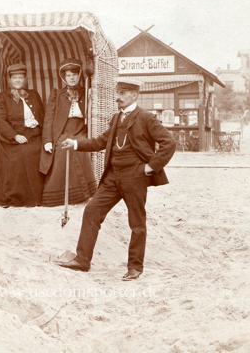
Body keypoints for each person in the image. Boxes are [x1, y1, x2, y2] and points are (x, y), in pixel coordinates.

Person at [57, 78, 176, 281]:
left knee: (136, 223)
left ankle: (135, 267)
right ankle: (82, 260)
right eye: (117, 92)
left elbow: (169, 142)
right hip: (112, 178)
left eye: (122, 93)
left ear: (134, 95)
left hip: (135, 177)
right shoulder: (115, 119)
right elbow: (101, 141)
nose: (117, 97)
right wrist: (75, 144)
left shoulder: (146, 118)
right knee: (92, 211)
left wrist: (151, 167)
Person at [0, 63, 45, 207]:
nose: (18, 80)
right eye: (15, 77)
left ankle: (38, 195)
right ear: (9, 80)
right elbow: (0, 121)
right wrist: (15, 135)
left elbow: (42, 116)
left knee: (39, 150)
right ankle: (20, 197)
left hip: (34, 134)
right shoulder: (2, 97)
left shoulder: (33, 95)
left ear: (25, 79)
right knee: (23, 153)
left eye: (21, 77)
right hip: (12, 138)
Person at [39, 58, 96, 206]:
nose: (72, 78)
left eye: (75, 75)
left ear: (79, 76)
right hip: (61, 133)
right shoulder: (57, 94)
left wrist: (90, 96)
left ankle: (84, 193)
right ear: (63, 77)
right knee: (62, 151)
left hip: (79, 131)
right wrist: (47, 140)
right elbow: (48, 119)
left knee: (79, 148)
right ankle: (57, 195)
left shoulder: (87, 92)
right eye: (68, 75)